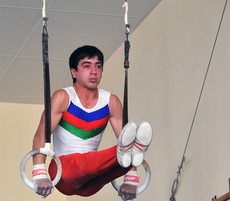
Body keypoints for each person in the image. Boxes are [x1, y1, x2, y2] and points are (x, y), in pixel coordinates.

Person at [32, 45, 152, 200]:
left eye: (98, 66)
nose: (94, 71)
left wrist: (130, 178)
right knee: (118, 152)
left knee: (123, 156)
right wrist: (39, 173)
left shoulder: (111, 102)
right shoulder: (63, 97)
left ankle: (133, 150)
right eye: (87, 66)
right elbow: (41, 134)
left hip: (92, 181)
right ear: (74, 72)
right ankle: (135, 148)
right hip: (63, 173)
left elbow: (125, 140)